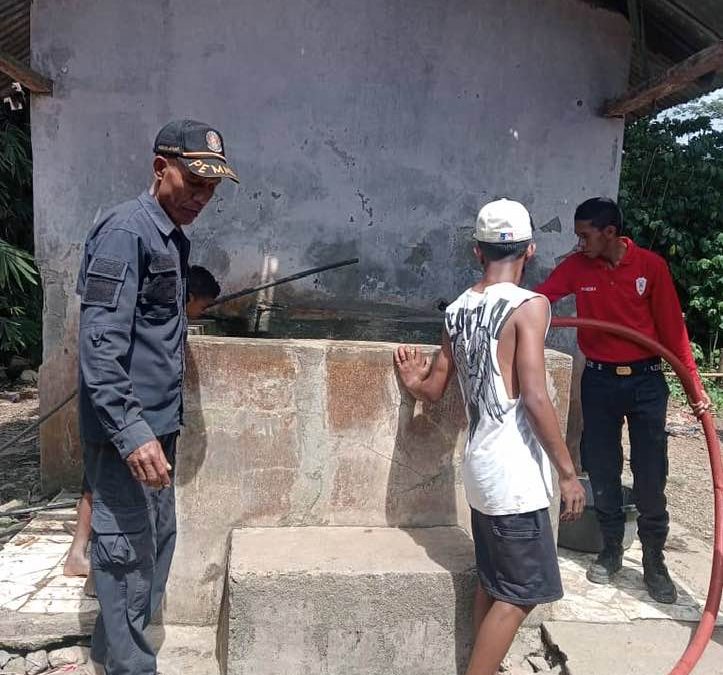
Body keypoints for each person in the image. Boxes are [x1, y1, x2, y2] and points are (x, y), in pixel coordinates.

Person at [394, 198, 585, 675]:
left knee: (494, 583)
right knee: (522, 596)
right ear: (531, 251)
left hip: (480, 467)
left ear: (477, 252)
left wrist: (413, 381)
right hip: (514, 476)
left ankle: (483, 665)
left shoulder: (457, 308)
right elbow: (537, 398)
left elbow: (435, 388)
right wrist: (567, 474)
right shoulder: (530, 305)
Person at [76, 119, 237, 675]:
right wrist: (131, 431)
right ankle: (130, 667)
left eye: (211, 189)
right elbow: (99, 347)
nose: (202, 197)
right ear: (159, 168)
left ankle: (110, 653)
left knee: (152, 542)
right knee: (124, 553)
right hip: (129, 431)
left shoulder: (169, 233)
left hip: (154, 427)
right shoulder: (127, 233)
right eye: (193, 182)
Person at [535, 197, 710, 605]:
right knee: (601, 465)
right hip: (599, 380)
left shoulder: (650, 267)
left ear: (610, 232)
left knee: (651, 472)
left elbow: (673, 333)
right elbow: (540, 299)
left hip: (647, 380)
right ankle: (611, 549)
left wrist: (695, 391)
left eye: (584, 235)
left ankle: (653, 561)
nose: (578, 244)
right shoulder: (577, 268)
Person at [63, 265, 221, 579]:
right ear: (186, 298)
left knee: (93, 485)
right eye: (201, 308)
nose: (200, 314)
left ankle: (80, 553)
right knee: (107, 492)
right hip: (121, 417)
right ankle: (95, 567)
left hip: (110, 414)